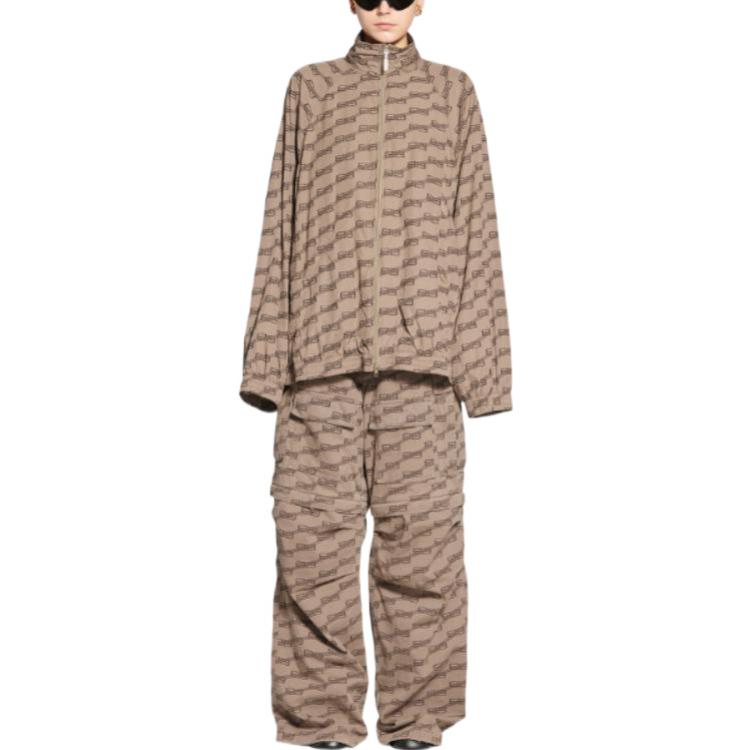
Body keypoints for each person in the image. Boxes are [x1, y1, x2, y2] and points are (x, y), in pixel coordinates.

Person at [239, 1, 513, 747]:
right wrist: (267, 363)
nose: (384, 7)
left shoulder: (453, 92)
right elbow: (281, 221)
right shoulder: (311, 88)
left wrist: (482, 370)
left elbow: (478, 226)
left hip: (424, 376)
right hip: (319, 369)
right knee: (311, 553)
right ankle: (320, 721)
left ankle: (417, 720)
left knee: (423, 557)